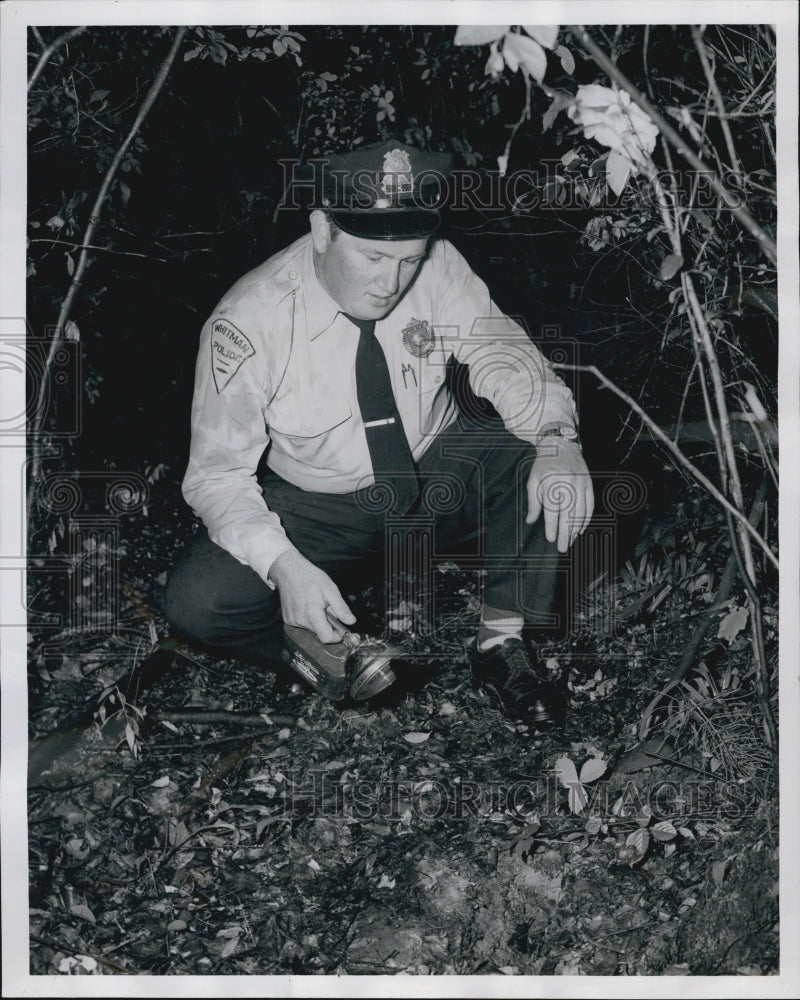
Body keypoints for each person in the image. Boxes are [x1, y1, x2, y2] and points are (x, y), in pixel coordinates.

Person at [164, 139, 594, 728]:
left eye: (407, 260)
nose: (391, 282)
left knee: (536, 451)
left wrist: (556, 440)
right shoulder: (248, 321)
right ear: (322, 230)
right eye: (371, 258)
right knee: (200, 601)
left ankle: (501, 644)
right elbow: (217, 475)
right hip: (321, 504)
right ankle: (333, 653)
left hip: (434, 462)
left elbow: (502, 353)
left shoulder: (437, 265)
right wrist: (285, 565)